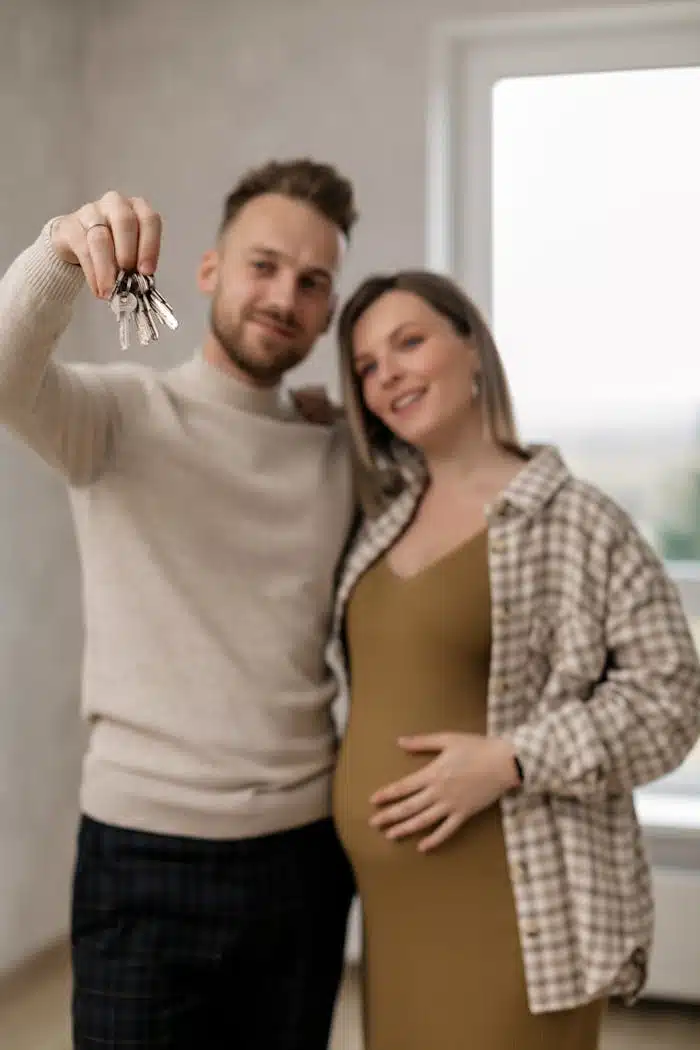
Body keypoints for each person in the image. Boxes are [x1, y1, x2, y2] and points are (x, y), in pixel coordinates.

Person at [0, 159, 360, 1049]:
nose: (285, 296)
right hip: (142, 851)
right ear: (209, 271)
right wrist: (56, 251)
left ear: (327, 310)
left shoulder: (334, 450)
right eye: (264, 265)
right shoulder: (121, 415)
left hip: (304, 855)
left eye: (313, 282)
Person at [328, 270, 700, 1050]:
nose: (386, 372)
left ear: (473, 349)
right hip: (395, 919)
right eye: (366, 365)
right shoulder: (381, 520)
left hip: (516, 907)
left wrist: (512, 760)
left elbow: (673, 698)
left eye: (409, 342)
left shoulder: (577, 521)